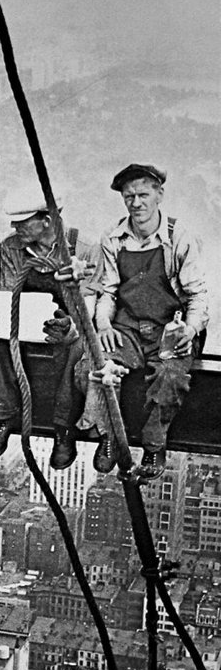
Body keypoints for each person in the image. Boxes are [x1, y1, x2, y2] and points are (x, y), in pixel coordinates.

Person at [77, 163, 209, 481]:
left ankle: (153, 446)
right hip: (128, 328)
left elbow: (198, 296)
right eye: (129, 196)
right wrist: (104, 325)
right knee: (91, 366)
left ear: (159, 195)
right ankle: (108, 435)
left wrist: (189, 330)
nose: (136, 203)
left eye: (143, 195)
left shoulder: (179, 237)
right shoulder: (113, 238)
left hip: (171, 330)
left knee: (169, 377)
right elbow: (107, 291)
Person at [0, 182, 98, 468]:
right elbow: (8, 292)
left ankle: (63, 427)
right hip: (26, 317)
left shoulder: (84, 248)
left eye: (22, 222)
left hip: (67, 322)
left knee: (74, 348)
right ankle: (2, 415)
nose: (14, 227)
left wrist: (69, 326)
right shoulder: (12, 248)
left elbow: (89, 304)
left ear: (47, 221)